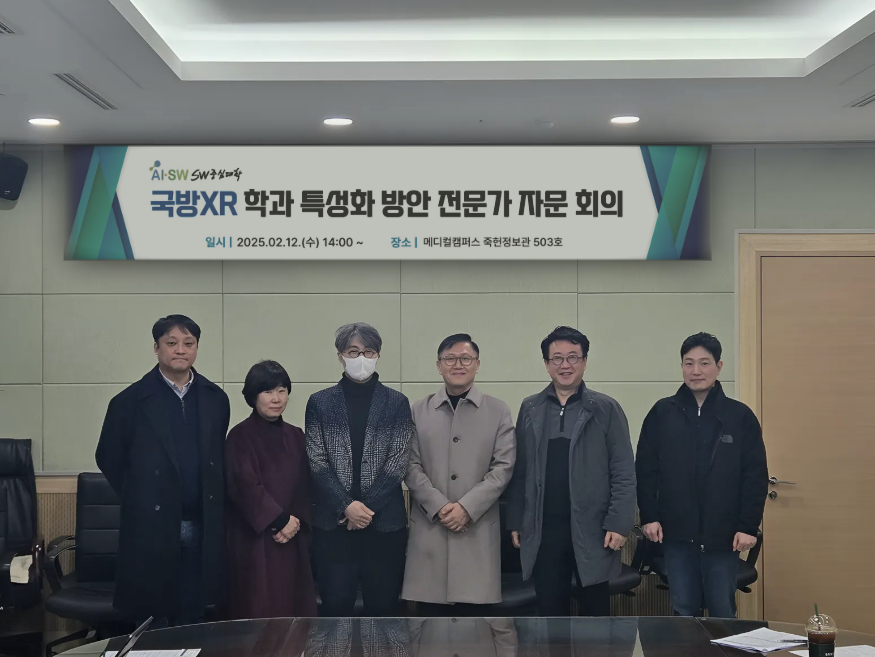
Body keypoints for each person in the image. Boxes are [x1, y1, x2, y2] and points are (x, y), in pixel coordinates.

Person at [95, 314, 230, 626]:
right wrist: (141, 496)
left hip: (200, 523)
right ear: (156, 348)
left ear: (196, 348)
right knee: (152, 618)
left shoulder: (216, 399)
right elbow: (108, 457)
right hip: (151, 526)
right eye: (171, 343)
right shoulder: (129, 401)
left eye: (188, 343)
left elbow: (217, 457)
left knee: (194, 614)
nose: (180, 350)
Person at [506, 326, 636, 617]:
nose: (565, 365)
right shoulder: (530, 407)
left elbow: (624, 471)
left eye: (573, 357)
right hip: (543, 529)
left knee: (595, 612)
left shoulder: (606, 408)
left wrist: (619, 523)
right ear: (546, 364)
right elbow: (520, 469)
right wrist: (516, 519)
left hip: (593, 529)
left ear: (585, 361)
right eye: (557, 358)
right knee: (550, 611)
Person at [636, 332, 768, 618]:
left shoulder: (739, 416)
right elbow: (645, 469)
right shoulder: (662, 413)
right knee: (683, 609)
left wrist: (748, 525)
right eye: (689, 363)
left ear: (719, 367)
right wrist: (649, 516)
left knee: (722, 611)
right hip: (675, 534)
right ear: (682, 366)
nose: (696, 371)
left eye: (704, 363)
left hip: (724, 535)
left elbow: (755, 475)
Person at [403, 334, 516, 615]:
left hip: (477, 531)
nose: (458, 364)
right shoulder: (418, 410)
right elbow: (410, 465)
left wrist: (466, 508)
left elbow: (503, 467)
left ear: (477, 364)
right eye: (450, 358)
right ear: (438, 365)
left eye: (465, 358)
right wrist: (440, 507)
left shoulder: (498, 410)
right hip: (431, 531)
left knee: (478, 627)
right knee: (429, 626)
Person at [305, 322, 413, 617]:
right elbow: (317, 462)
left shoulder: (397, 403)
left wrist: (364, 509)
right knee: (335, 609)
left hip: (384, 527)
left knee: (384, 610)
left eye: (368, 352)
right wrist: (346, 506)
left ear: (378, 355)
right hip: (334, 526)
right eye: (353, 352)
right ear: (340, 355)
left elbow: (397, 462)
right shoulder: (319, 403)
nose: (361, 358)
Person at [225, 360, 317, 619]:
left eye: (282, 391)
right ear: (253, 396)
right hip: (256, 539)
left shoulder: (296, 435)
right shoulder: (239, 436)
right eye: (268, 392)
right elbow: (245, 486)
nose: (276, 399)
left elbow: (306, 485)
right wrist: (280, 520)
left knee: (296, 611)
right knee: (260, 609)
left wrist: (294, 522)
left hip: (293, 535)